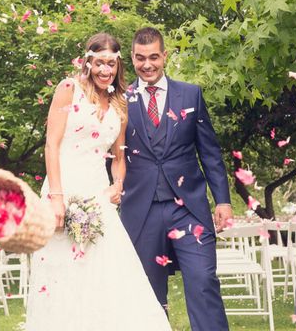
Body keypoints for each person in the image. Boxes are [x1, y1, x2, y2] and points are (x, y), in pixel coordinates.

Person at [25, 33, 171, 331]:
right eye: (100, 63)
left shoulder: (120, 103)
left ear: (118, 67)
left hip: (98, 196)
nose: (106, 71)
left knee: (110, 273)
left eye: (112, 65)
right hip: (62, 191)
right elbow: (51, 145)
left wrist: (118, 184)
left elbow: (119, 156)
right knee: (64, 273)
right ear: (88, 62)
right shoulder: (69, 89)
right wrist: (56, 197)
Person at [120, 27, 232, 331]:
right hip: (140, 210)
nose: (147, 64)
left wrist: (222, 200)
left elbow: (209, 152)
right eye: (141, 58)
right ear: (132, 58)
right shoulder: (120, 99)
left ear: (164, 56)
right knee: (148, 294)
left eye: (154, 57)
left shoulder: (191, 94)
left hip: (189, 208)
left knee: (203, 280)